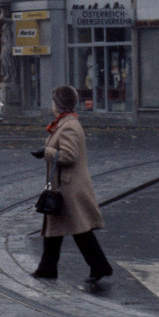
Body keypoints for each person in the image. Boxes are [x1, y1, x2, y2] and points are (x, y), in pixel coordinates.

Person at [31, 84, 113, 283]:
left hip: (69, 187)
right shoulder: (63, 123)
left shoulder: (69, 126)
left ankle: (100, 267)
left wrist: (46, 152)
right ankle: (47, 268)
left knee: (80, 230)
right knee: (57, 227)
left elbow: (69, 156)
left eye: (53, 102)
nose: (51, 106)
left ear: (59, 104)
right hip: (62, 185)